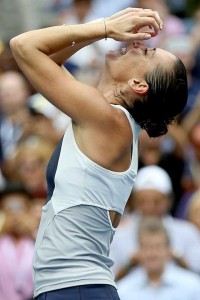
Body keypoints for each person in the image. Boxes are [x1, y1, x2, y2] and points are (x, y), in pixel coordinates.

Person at [10, 7, 188, 300]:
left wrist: (105, 27)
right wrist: (98, 33)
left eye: (146, 54)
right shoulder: (110, 121)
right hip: (75, 290)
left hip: (75, 290)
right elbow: (45, 60)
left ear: (138, 85)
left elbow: (23, 45)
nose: (135, 45)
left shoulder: (110, 121)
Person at [110, 165, 200, 275]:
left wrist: (176, 258)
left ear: (169, 200)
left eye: (156, 201)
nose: (149, 207)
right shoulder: (119, 235)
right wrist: (130, 263)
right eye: (143, 201)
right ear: (134, 202)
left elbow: (197, 274)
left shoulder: (188, 232)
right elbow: (110, 277)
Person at [117, 217, 200, 300]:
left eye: (158, 247)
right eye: (146, 247)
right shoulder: (123, 290)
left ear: (168, 250)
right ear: (138, 251)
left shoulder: (192, 286)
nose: (152, 254)